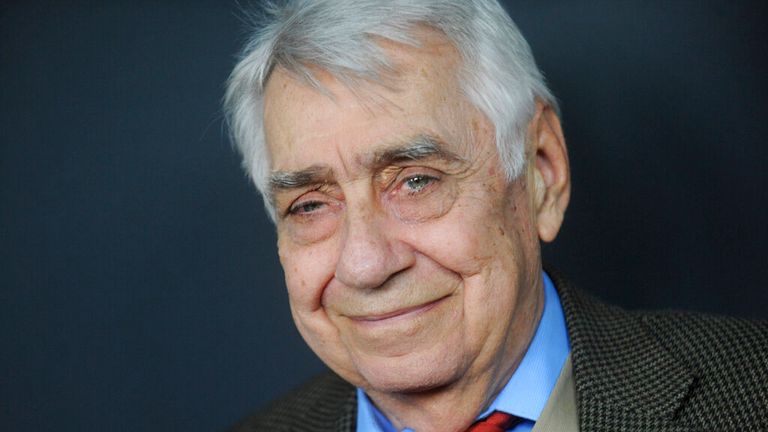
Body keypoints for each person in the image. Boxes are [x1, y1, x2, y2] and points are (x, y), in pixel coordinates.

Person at [223, 1, 768, 431]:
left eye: (416, 180)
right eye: (311, 204)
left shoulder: (750, 394)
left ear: (541, 174)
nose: (364, 264)